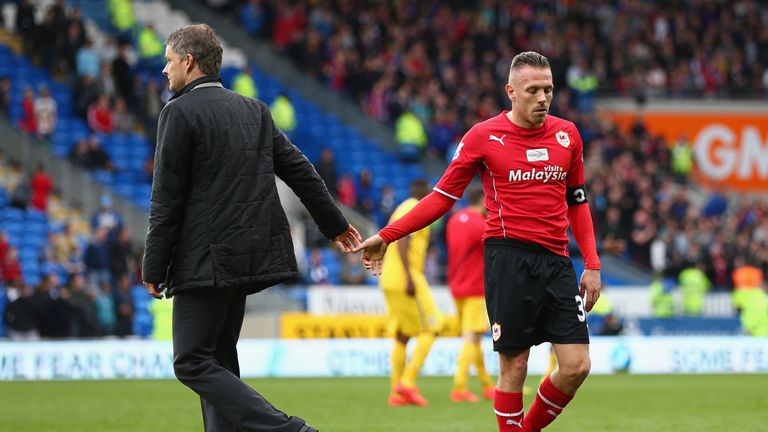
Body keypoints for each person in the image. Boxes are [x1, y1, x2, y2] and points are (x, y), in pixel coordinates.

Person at [355, 51, 601, 432]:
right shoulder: (483, 137)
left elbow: (578, 202)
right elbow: (440, 197)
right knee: (514, 366)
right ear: (511, 92)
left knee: (577, 365)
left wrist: (593, 264)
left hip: (557, 260)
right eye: (533, 90)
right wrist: (388, 236)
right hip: (509, 259)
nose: (542, 98)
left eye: (548, 90)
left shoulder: (567, 134)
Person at [141, 24, 361, 432]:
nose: (164, 71)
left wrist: (154, 266)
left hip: (203, 260)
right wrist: (333, 224)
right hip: (244, 257)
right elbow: (300, 169)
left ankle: (289, 429)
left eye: (168, 61)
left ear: (189, 62)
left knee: (190, 362)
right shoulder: (253, 110)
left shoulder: (178, 112)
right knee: (219, 359)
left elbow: (166, 199)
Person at [380, 179, 444, 407]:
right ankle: (407, 383)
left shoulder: (402, 206)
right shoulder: (414, 207)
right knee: (433, 328)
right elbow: (402, 240)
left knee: (403, 335)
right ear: (423, 192)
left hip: (390, 278)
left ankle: (396, 394)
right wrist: (408, 275)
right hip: (406, 277)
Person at [445, 187, 494, 402]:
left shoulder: (454, 220)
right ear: (483, 200)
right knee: (471, 337)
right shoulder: (481, 225)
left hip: (456, 285)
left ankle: (487, 385)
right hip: (475, 287)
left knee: (474, 339)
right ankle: (459, 387)